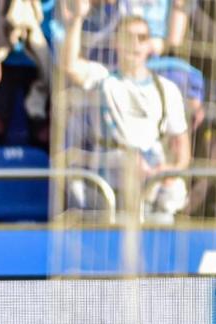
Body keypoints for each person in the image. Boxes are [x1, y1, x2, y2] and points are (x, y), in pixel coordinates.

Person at [60, 0, 190, 219]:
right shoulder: (102, 79)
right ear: (116, 42)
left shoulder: (167, 90)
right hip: (108, 189)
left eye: (142, 38)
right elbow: (70, 66)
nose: (135, 44)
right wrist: (76, 19)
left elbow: (182, 149)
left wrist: (167, 171)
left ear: (150, 45)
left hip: (151, 189)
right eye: (128, 38)